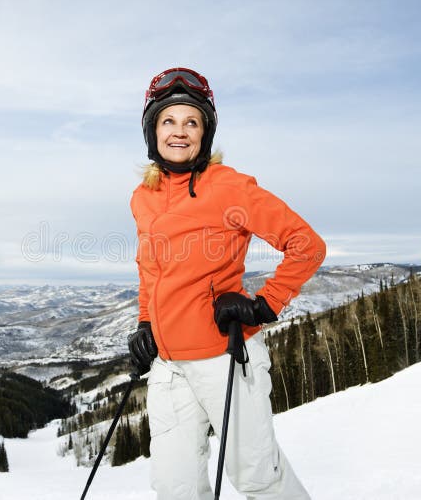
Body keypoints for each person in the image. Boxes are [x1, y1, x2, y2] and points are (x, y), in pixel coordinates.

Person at [128, 67, 325, 499]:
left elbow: (307, 245)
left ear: (205, 133)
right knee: (174, 489)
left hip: (226, 358)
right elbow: (151, 270)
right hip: (168, 369)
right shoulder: (143, 198)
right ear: (152, 130)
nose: (179, 132)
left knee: (260, 480)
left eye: (191, 122)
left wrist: (263, 306)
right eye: (169, 121)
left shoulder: (228, 188)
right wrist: (146, 323)